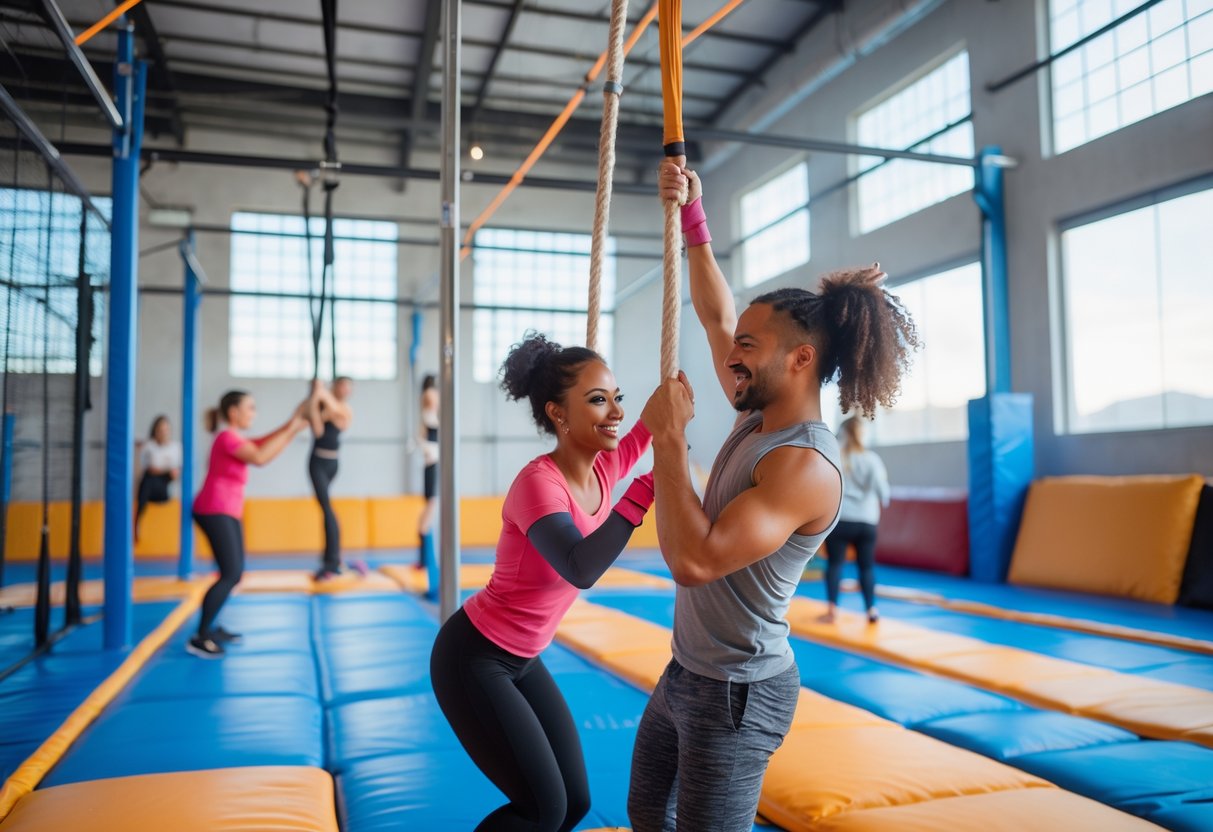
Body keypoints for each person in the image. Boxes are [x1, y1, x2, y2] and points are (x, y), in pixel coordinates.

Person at [627, 162, 918, 832]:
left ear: (800, 360)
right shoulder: (756, 413)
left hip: (737, 691)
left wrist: (669, 443)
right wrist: (693, 218)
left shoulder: (803, 466)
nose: (731, 356)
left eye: (747, 349)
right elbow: (716, 314)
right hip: (687, 670)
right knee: (646, 810)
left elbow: (695, 562)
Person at [430, 333, 656, 832]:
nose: (615, 410)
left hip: (523, 659)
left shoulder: (603, 467)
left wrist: (670, 405)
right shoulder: (539, 483)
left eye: (618, 397)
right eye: (598, 400)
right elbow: (579, 566)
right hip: (474, 657)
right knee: (543, 809)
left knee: (572, 804)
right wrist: (645, 492)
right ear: (558, 414)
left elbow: (645, 431)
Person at [188, 390, 308, 659]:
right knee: (231, 573)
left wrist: (294, 422)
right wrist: (292, 430)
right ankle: (200, 636)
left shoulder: (235, 438)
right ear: (234, 412)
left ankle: (211, 626)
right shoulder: (226, 437)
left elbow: (264, 442)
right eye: (250, 408)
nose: (254, 413)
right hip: (213, 509)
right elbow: (261, 457)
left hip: (226, 511)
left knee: (232, 573)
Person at [822, 415, 890, 624]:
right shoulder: (871, 459)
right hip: (866, 521)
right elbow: (884, 494)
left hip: (840, 519)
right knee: (866, 567)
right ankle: (871, 610)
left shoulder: (833, 457)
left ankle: (833, 609)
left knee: (835, 564)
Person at [306, 376, 358, 581]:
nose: (345, 389)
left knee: (327, 510)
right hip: (317, 462)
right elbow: (317, 429)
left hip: (332, 464)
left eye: (348, 387)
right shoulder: (322, 406)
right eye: (342, 385)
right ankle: (331, 560)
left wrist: (322, 392)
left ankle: (332, 559)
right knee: (326, 509)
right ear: (335, 386)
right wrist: (315, 394)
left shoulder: (344, 410)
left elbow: (339, 416)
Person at [134, 415, 181, 542]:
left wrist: (167, 472)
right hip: (150, 483)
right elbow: (148, 469)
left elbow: (176, 471)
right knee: (147, 480)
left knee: (152, 479)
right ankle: (137, 522)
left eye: (166, 429)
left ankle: (138, 519)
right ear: (155, 431)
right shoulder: (149, 446)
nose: (163, 433)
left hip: (165, 485)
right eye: (160, 429)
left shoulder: (176, 447)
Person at [416, 373, 439, 569]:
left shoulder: (425, 404)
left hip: (431, 453)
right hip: (433, 454)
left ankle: (424, 556)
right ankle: (423, 556)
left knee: (430, 503)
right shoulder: (431, 395)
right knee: (431, 502)